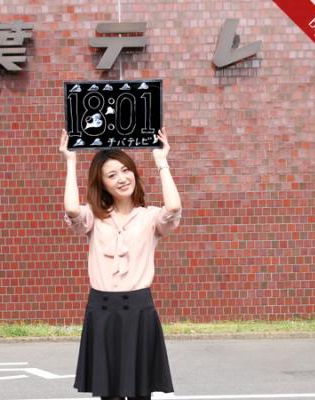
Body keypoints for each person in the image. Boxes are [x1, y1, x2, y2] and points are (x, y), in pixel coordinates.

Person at [59, 127, 182, 400]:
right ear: (102, 184)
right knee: (109, 395)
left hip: (139, 311)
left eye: (126, 170)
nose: (122, 178)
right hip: (102, 312)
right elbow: (71, 210)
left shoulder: (150, 217)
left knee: (141, 394)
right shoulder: (94, 217)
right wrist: (70, 161)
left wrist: (162, 161)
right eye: (112, 175)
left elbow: (173, 208)